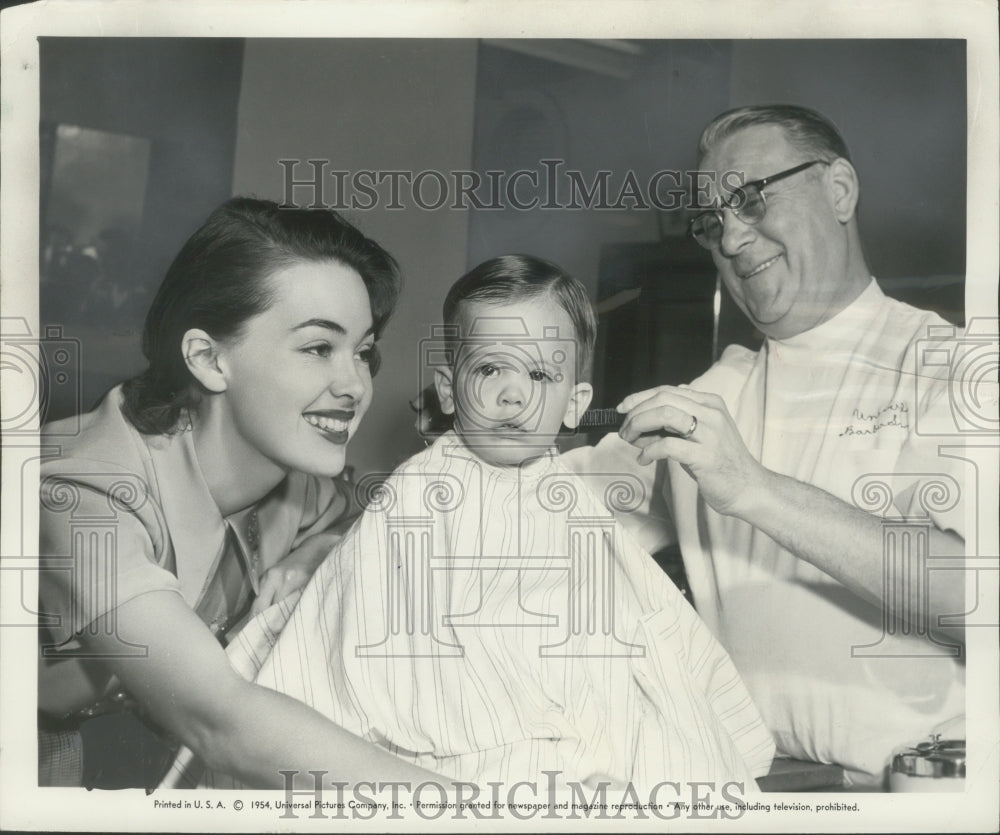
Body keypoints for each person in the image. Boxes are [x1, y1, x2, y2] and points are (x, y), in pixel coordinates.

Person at [173, 254, 775, 791]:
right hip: (445, 752)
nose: (513, 395)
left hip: (582, 745)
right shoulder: (416, 496)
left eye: (540, 375)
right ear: (450, 388)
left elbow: (647, 622)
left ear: (575, 402)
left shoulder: (576, 501)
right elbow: (366, 629)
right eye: (490, 370)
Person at [565, 105, 967, 788]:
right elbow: (536, 515)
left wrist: (755, 489)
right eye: (711, 220)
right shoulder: (714, 394)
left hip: (913, 792)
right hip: (753, 786)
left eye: (750, 198)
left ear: (839, 189)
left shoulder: (952, 367)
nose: (731, 235)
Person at [38, 197, 441, 789]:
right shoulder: (81, 491)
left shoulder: (298, 475)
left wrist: (316, 551)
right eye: (316, 347)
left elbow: (368, 516)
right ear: (208, 358)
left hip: (148, 760)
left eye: (363, 351)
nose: (355, 384)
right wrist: (470, 811)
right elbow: (218, 720)